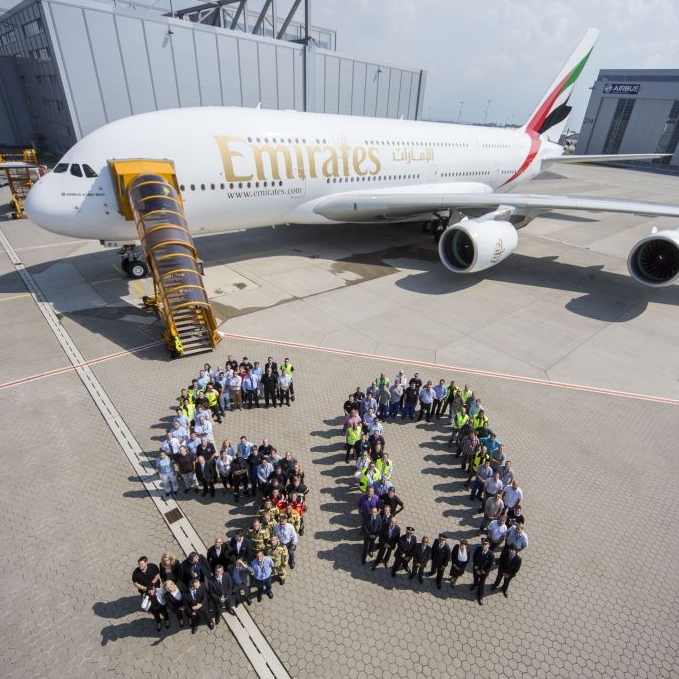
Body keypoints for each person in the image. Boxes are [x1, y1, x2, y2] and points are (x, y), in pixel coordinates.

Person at [471, 538, 494, 605]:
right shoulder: (478, 548)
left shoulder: (491, 555)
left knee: (481, 583)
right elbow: (474, 558)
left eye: (485, 544)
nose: (483, 545)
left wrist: (482, 571)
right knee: (475, 578)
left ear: (489, 545)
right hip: (476, 568)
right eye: (483, 544)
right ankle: (475, 584)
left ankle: (480, 596)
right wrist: (476, 569)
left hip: (484, 572)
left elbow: (489, 566)